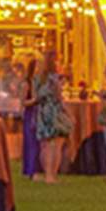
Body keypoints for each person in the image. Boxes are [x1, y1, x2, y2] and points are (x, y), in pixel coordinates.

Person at [34, 50, 69, 184]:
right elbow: (59, 97)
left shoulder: (38, 78)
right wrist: (68, 113)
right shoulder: (54, 78)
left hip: (42, 110)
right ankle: (51, 174)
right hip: (53, 110)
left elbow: (35, 96)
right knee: (56, 144)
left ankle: (47, 173)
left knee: (45, 144)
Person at [22, 59, 42, 180]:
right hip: (30, 114)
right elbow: (23, 102)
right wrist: (35, 100)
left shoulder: (39, 83)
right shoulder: (27, 84)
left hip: (38, 113)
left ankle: (36, 169)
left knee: (38, 143)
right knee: (31, 142)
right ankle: (31, 170)